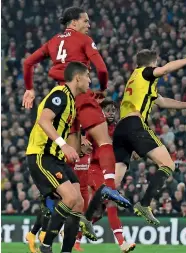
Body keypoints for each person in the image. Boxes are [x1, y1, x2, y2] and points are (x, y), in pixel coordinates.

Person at [22, 6, 130, 212]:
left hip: (62, 96)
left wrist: (29, 89)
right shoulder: (84, 40)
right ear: (74, 23)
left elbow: (28, 63)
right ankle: (109, 186)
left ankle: (58, 199)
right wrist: (103, 88)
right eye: (85, 21)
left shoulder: (53, 41)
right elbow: (102, 69)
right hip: (79, 91)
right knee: (104, 140)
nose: (88, 25)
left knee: (72, 155)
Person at [113, 49, 186, 225]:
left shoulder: (137, 80)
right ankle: (144, 204)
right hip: (135, 124)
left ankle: (85, 211)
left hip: (121, 128)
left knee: (113, 182)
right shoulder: (145, 72)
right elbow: (165, 70)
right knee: (167, 164)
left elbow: (165, 102)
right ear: (152, 64)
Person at [26, 62, 94, 253]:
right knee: (70, 198)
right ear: (78, 78)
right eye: (88, 76)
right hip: (42, 155)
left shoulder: (72, 101)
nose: (90, 80)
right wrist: (64, 145)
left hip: (56, 158)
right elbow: (44, 120)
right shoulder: (60, 94)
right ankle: (46, 244)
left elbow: (62, 131)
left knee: (78, 203)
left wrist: (79, 144)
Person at [75, 100, 136, 253]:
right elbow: (81, 135)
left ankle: (74, 236)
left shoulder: (116, 129)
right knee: (110, 203)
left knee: (98, 212)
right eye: (107, 110)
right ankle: (122, 243)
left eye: (113, 110)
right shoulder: (95, 127)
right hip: (95, 169)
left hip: (108, 170)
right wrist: (82, 140)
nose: (111, 113)